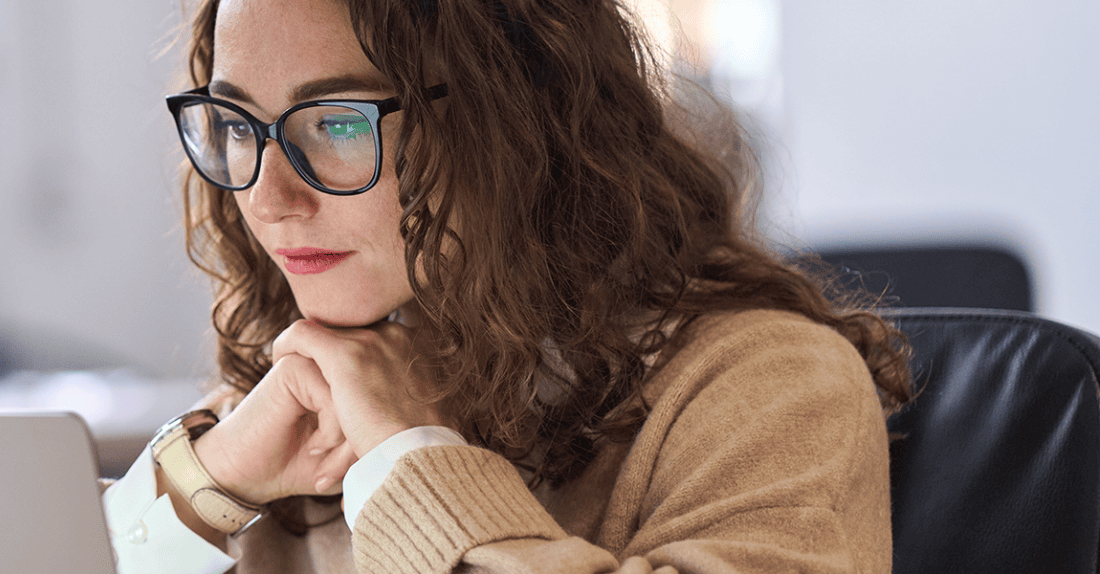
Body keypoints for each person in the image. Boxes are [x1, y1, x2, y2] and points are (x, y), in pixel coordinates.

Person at [100, 0, 913, 572]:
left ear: (513, 124)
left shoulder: (774, 386)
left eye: (338, 123)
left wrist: (408, 458)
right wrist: (204, 487)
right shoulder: (310, 383)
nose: (268, 199)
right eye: (238, 126)